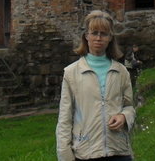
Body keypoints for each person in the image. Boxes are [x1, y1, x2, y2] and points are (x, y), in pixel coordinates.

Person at [56, 10, 135, 161]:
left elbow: (129, 106)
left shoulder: (121, 71)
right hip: (86, 152)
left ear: (110, 38)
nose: (98, 38)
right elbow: (65, 119)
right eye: (94, 33)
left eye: (104, 34)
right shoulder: (71, 73)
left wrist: (124, 117)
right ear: (86, 36)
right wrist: (65, 157)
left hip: (118, 151)